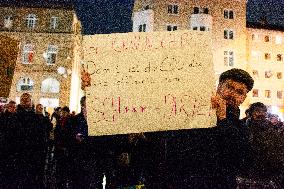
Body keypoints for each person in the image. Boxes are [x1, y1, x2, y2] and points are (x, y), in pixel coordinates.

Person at [143, 68, 254, 189]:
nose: (232, 94)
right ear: (219, 87)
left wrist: (222, 119)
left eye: (239, 92)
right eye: (229, 87)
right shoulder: (190, 114)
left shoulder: (242, 128)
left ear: (243, 98)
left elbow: (238, 159)